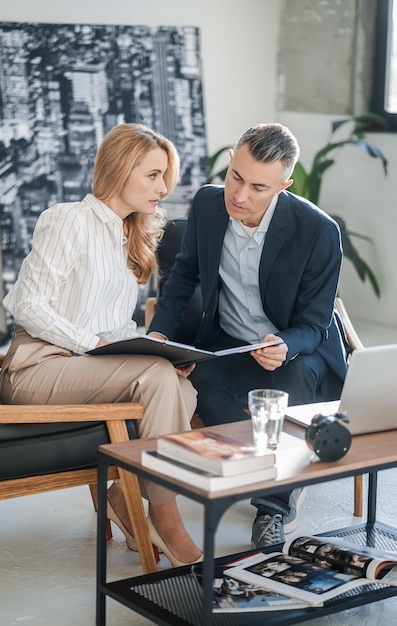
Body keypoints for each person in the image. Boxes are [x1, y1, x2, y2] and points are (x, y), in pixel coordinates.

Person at [0, 123, 202, 567]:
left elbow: (114, 325)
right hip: (38, 369)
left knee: (183, 386)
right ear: (119, 170)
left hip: (83, 368)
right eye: (152, 175)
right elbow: (28, 304)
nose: (163, 188)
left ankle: (121, 493)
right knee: (157, 379)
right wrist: (92, 344)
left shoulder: (125, 236)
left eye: (165, 175)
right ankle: (167, 521)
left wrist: (157, 351)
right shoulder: (67, 219)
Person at [148, 122, 350, 548]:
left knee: (289, 383)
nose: (240, 195)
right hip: (229, 341)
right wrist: (160, 335)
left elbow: (315, 324)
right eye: (235, 176)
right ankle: (260, 471)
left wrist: (286, 345)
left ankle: (273, 507)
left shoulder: (318, 231)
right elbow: (183, 274)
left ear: (283, 185)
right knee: (198, 379)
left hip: (298, 348)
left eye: (258, 186)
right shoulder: (208, 204)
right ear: (230, 163)